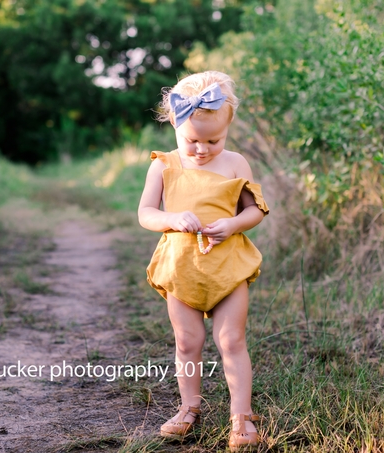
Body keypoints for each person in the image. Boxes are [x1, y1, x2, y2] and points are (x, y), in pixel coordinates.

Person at [137, 71, 269, 451]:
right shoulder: (163, 165)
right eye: (192, 140)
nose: (202, 149)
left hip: (228, 267)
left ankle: (241, 415)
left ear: (227, 129)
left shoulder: (235, 163)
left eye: (214, 140)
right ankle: (189, 407)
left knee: (231, 339)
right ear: (175, 125)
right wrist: (172, 219)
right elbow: (146, 213)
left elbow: (255, 210)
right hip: (182, 268)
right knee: (187, 341)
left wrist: (233, 223)